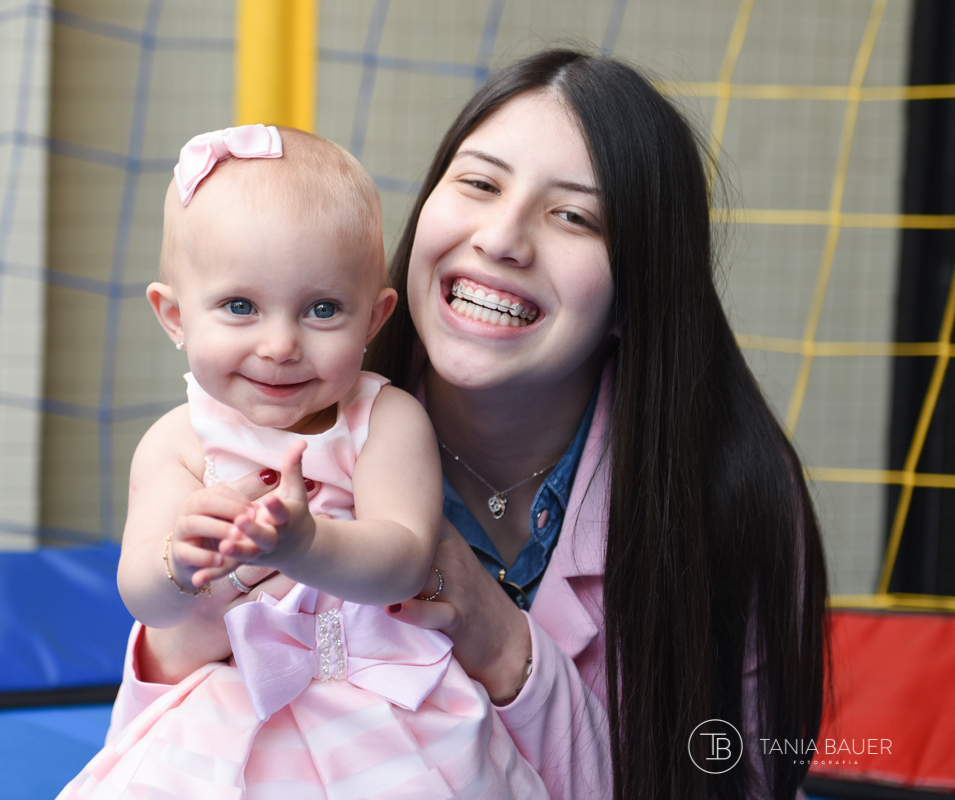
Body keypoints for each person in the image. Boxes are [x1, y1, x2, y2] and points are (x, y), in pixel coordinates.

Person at [101, 48, 828, 800]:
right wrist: (198, 600)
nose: (503, 238)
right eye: (479, 183)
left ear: (637, 292)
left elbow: (729, 778)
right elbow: (165, 749)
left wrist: (502, 641)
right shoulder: (254, 434)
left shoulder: (728, 490)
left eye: (574, 215)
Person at [60, 125, 546, 798]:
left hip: (380, 711)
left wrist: (307, 542)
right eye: (240, 306)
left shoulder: (385, 419)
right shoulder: (180, 442)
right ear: (173, 316)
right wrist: (179, 560)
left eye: (322, 309)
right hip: (229, 708)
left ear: (373, 319)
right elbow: (142, 595)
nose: (281, 344)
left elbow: (406, 559)